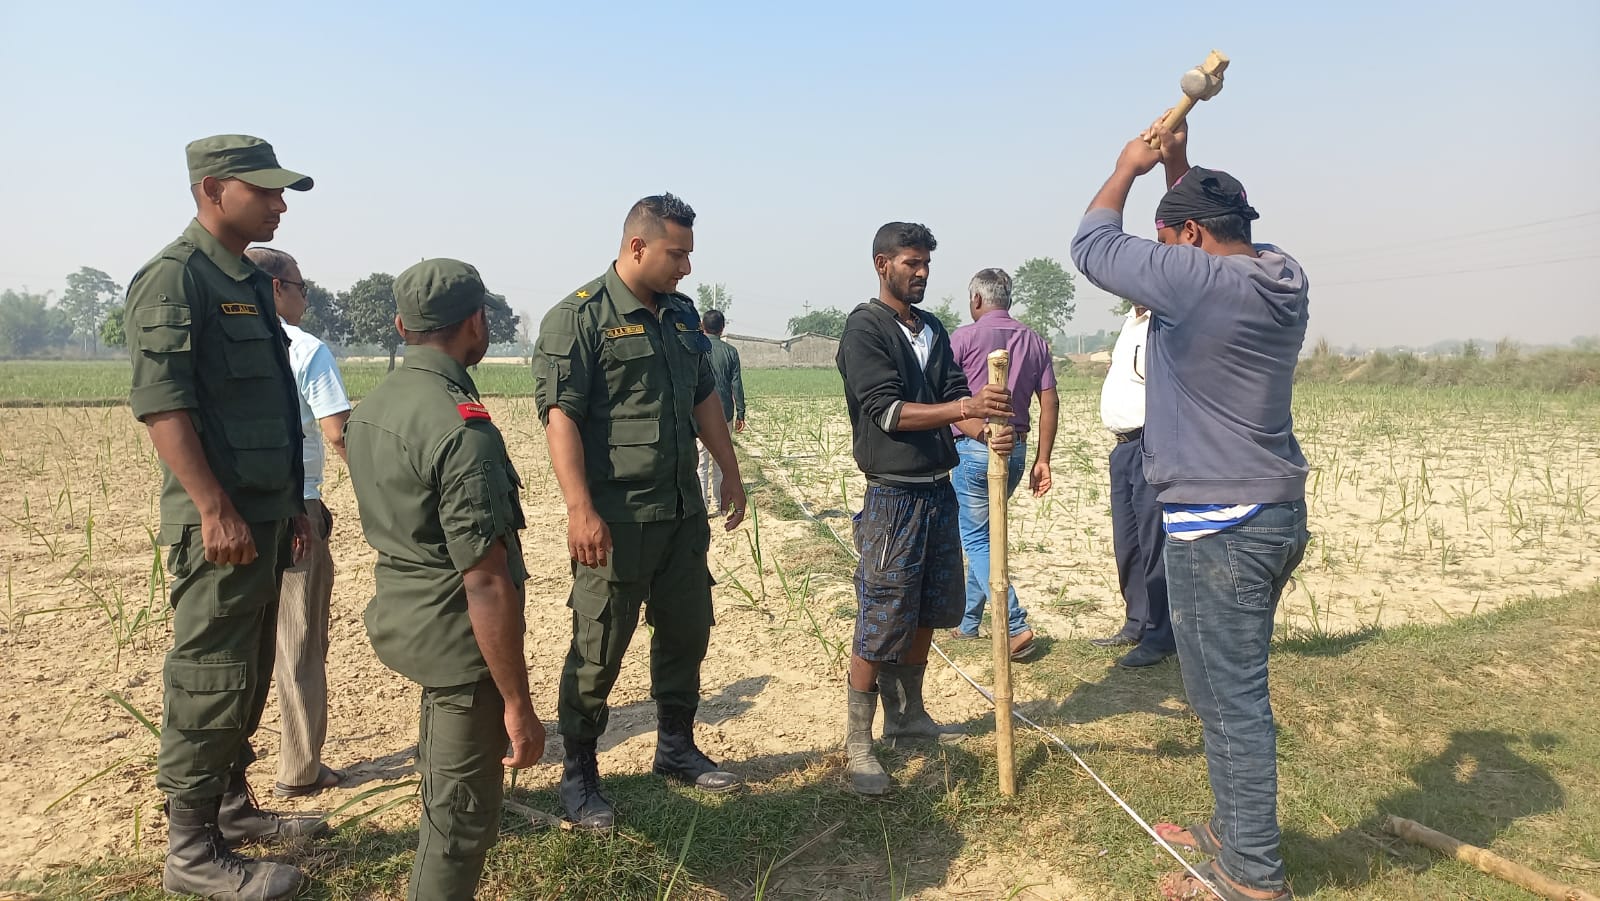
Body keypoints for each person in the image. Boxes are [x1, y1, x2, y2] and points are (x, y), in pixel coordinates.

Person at [1070, 117, 1311, 901]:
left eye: (1169, 239)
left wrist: (1127, 167)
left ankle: (1250, 875)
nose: (1164, 255)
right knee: (1219, 690)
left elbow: (1092, 245)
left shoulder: (1198, 281)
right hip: (1271, 513)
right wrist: (1179, 168)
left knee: (1231, 702)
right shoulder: (1282, 274)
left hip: (1221, 526)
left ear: (1194, 237)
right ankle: (1234, 829)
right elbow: (1207, 241)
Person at [124, 134, 323, 900]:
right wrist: (213, 506)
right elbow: (163, 405)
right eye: (265, 190)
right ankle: (191, 850)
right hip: (221, 523)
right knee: (210, 675)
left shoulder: (242, 278)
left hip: (265, 516)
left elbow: (270, 407)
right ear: (213, 189)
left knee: (247, 672)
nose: (279, 205)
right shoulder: (177, 278)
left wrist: (291, 507)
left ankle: (232, 806)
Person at [533, 193, 747, 832]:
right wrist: (580, 510)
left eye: (688, 255)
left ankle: (676, 748)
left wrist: (730, 470)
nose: (686, 267)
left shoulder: (680, 316)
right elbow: (561, 418)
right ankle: (579, 774)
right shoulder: (579, 318)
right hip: (617, 519)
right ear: (637, 247)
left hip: (680, 513)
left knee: (687, 630)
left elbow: (704, 396)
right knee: (599, 646)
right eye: (676, 254)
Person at [345, 259, 544, 900]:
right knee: (460, 822)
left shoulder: (375, 407)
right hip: (461, 641)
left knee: (445, 783)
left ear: (402, 325)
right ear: (476, 323)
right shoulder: (461, 427)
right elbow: (484, 580)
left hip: (406, 616)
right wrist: (517, 703)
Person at [835, 222, 1012, 795]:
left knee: (929, 607)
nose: (921, 273)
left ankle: (908, 717)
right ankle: (858, 743)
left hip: (939, 489)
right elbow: (888, 412)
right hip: (893, 496)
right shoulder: (865, 329)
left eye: (926, 264)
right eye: (911, 263)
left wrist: (986, 430)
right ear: (882, 264)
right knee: (882, 615)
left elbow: (955, 396)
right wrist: (965, 408)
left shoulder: (932, 327)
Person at [242, 247, 350, 799]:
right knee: (299, 640)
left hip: (233, 511)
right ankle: (300, 768)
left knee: (240, 641)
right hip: (296, 509)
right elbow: (338, 432)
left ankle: (223, 774)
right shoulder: (305, 349)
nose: (305, 297)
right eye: (301, 287)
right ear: (276, 287)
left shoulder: (225, 346)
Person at [947, 267, 1058, 661]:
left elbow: (944, 396)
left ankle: (1014, 624)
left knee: (977, 538)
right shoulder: (1035, 341)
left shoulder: (963, 338)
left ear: (977, 299)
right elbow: (1049, 402)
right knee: (986, 534)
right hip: (1018, 449)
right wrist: (1043, 459)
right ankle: (968, 622)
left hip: (976, 446)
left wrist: (979, 432)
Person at [1093, 304, 1177, 668]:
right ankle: (1136, 622)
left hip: (1150, 442)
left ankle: (1161, 634)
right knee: (1127, 542)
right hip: (1123, 447)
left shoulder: (1164, 321)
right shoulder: (1130, 322)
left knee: (1153, 541)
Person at [696, 308, 746, 512]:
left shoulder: (696, 348)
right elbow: (736, 384)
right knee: (721, 460)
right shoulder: (730, 352)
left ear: (702, 326)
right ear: (722, 328)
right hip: (724, 412)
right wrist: (741, 412)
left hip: (699, 412)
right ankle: (720, 505)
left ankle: (703, 505)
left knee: (701, 461)